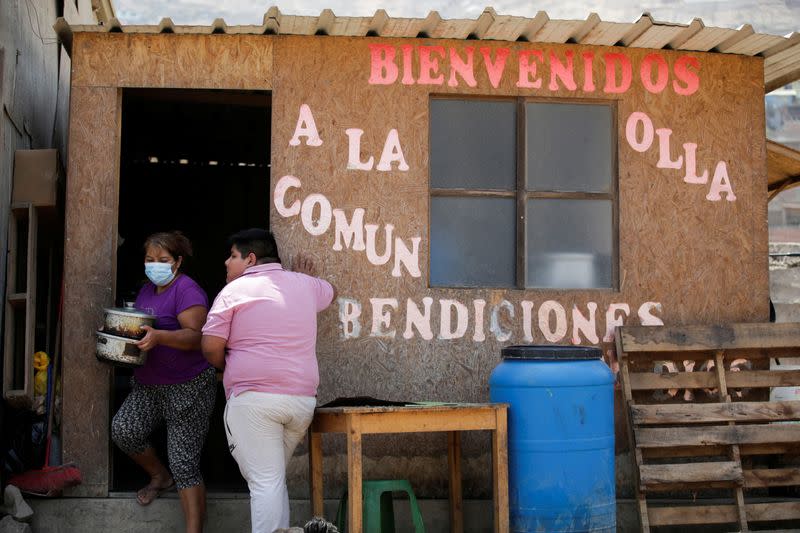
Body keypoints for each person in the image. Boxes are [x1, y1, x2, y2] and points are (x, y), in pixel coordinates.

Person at [201, 228, 335, 533]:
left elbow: (210, 347)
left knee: (264, 482)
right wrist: (307, 282)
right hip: (301, 403)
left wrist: (230, 365)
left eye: (232, 256)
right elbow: (332, 291)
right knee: (271, 480)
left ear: (250, 259)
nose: (226, 262)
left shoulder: (234, 291)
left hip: (255, 403)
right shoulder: (305, 285)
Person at [111, 231, 216, 533]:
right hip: (149, 384)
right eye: (149, 260)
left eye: (163, 260)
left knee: (184, 462)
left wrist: (160, 337)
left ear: (178, 262)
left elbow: (198, 337)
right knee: (125, 430)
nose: (155, 265)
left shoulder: (187, 290)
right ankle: (160, 476)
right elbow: (139, 327)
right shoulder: (146, 291)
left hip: (189, 385)